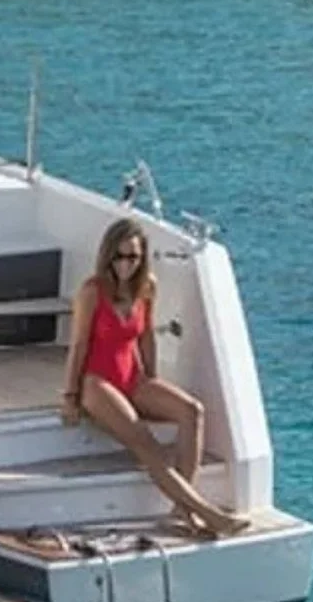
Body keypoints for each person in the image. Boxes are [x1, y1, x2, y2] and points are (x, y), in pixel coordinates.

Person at [60, 217, 249, 538]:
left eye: (132, 257)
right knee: (147, 444)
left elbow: (146, 335)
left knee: (192, 411)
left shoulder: (146, 286)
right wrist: (70, 396)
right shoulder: (93, 291)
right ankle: (207, 514)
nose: (125, 264)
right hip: (97, 382)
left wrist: (152, 379)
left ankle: (181, 510)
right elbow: (78, 345)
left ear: (142, 257)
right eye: (119, 256)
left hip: (132, 377)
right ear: (107, 256)